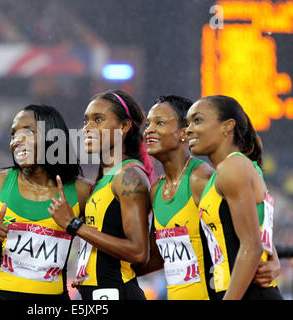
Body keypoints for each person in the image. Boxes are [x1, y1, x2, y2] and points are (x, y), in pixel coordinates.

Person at [138, 95, 280, 300]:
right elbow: (249, 227)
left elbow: (251, 240)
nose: (149, 130)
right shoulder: (159, 189)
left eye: (197, 121)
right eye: (148, 124)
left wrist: (271, 257)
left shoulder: (213, 176)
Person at [0, 104, 92, 300]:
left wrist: (86, 271)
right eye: (13, 134)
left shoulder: (82, 192)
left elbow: (104, 243)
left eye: (27, 132)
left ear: (52, 137)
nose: (17, 140)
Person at [48, 90, 152, 300]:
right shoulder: (105, 178)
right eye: (86, 121)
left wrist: (74, 225)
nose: (87, 128)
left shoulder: (129, 175)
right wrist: (88, 270)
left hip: (117, 293)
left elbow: (139, 252)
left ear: (124, 127)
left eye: (98, 120)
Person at [186, 95, 283, 299]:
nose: (189, 129)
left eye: (198, 120)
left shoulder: (233, 167)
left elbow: (251, 246)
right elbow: (256, 232)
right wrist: (273, 258)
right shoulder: (230, 170)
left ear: (227, 126)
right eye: (188, 123)